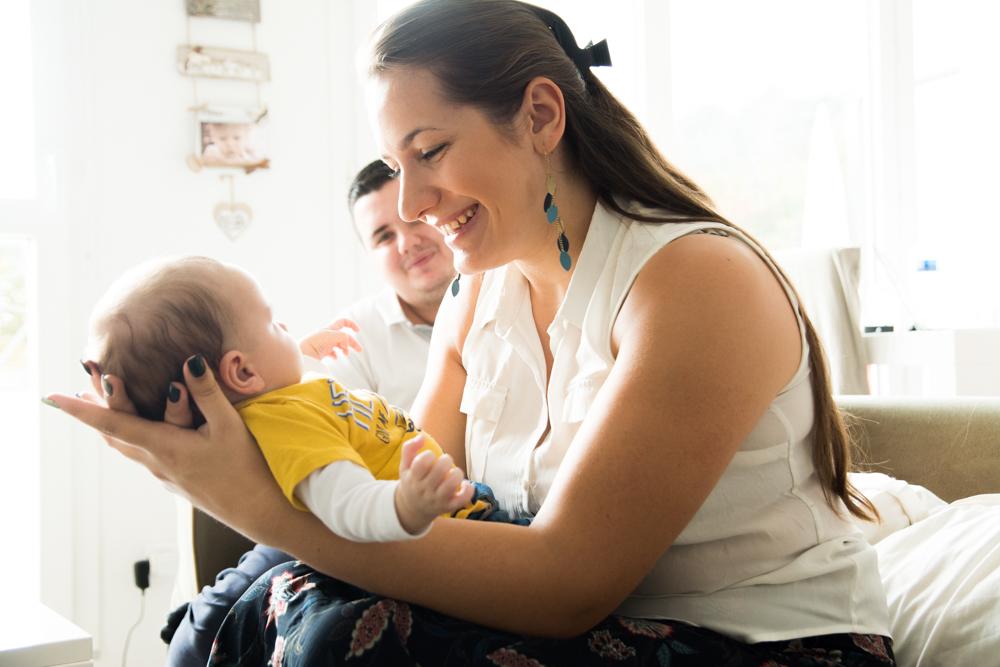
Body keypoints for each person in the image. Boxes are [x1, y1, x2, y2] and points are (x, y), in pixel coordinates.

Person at [51, 1, 896, 664]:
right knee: (259, 593)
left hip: (759, 643)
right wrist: (221, 434)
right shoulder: (477, 294)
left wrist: (249, 502)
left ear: (539, 116)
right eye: (397, 166)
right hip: (590, 630)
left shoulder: (694, 281)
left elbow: (568, 585)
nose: (412, 204)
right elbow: (412, 491)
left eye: (431, 151)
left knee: (338, 633)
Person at [161, 161, 456, 666]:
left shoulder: (495, 305)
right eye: (384, 235)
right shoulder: (349, 336)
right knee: (232, 601)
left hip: (436, 511)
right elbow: (310, 444)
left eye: (413, 221)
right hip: (346, 505)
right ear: (370, 254)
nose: (406, 242)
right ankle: (199, 625)